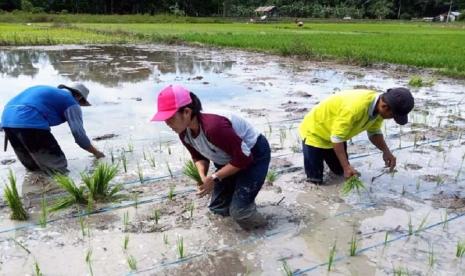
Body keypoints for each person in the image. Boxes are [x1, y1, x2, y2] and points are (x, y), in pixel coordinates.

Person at [151, 84, 271, 230]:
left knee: (240, 212)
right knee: (218, 207)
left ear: (187, 112)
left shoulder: (214, 127)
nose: (167, 123)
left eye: (170, 118)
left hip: (253, 155)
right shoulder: (184, 132)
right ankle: (235, 230)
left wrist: (215, 178)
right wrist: (204, 176)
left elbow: (244, 158)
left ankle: (267, 232)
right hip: (228, 160)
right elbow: (199, 157)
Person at [299, 87, 414, 184]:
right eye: (392, 116)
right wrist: (346, 166)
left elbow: (374, 132)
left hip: (336, 136)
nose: (391, 119)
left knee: (340, 173)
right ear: (384, 106)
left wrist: (386, 151)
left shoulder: (379, 109)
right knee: (315, 181)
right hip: (315, 133)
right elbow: (337, 138)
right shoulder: (355, 108)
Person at [1, 83, 105, 175]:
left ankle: (34, 191)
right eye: (81, 102)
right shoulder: (71, 101)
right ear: (78, 96)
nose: (79, 105)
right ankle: (58, 193)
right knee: (57, 166)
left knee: (33, 167)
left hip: (6, 121)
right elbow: (79, 134)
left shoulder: (50, 92)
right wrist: (96, 153)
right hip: (30, 121)